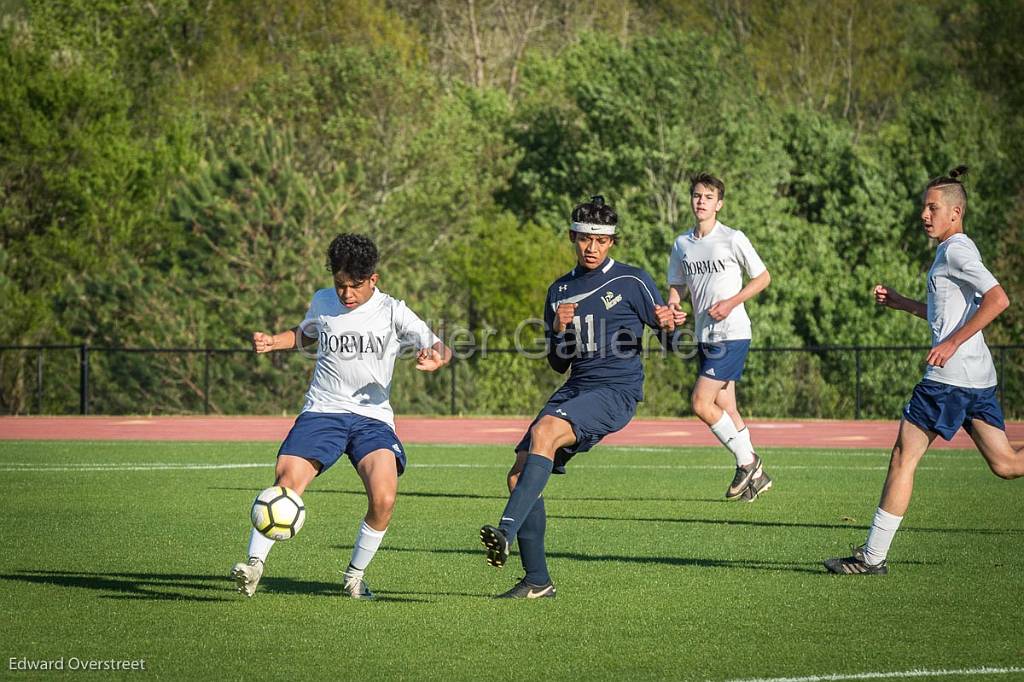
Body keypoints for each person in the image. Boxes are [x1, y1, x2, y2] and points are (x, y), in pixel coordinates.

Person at [478, 195, 682, 598]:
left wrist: (669, 325)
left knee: (546, 433)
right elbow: (558, 362)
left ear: (612, 243)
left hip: (616, 389)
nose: (592, 248)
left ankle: (505, 529)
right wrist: (557, 329)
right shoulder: (559, 290)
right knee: (518, 474)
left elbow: (671, 344)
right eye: (585, 238)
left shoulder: (632, 280)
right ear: (573, 236)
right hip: (576, 385)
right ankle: (537, 581)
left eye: (601, 241)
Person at [824, 166, 1022, 575]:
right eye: (924, 207)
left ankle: (872, 557)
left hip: (949, 380)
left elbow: (999, 299)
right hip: (976, 379)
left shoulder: (957, 250)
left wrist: (951, 343)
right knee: (1006, 465)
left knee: (902, 457)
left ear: (956, 212)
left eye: (933, 207)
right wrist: (903, 303)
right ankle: (872, 557)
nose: (924, 215)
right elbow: (946, 314)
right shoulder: (948, 252)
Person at [231, 233, 451, 598]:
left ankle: (354, 576)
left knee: (384, 498)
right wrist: (274, 341)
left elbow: (439, 343)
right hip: (323, 410)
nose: (347, 294)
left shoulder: (393, 311)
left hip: (372, 419)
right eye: (340, 285)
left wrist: (437, 357)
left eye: (355, 286)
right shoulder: (323, 300)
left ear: (374, 280)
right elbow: (306, 335)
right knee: (286, 481)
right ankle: (254, 566)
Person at [666, 173, 773, 501]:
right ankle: (759, 476)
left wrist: (731, 302)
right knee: (726, 404)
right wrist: (674, 303)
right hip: (704, 334)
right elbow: (677, 285)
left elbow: (763, 277)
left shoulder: (732, 238)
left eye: (708, 197)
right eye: (697, 196)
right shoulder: (682, 244)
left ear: (719, 204)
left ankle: (748, 462)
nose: (701, 201)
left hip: (733, 333)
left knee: (701, 402)